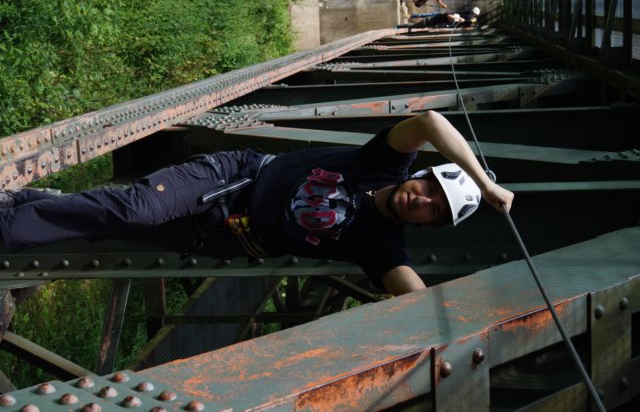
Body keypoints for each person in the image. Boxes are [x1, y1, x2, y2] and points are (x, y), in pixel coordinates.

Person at [0, 111, 513, 296]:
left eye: (433, 210)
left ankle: (20, 203)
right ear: (422, 175)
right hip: (230, 179)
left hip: (223, 236)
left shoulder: (383, 247)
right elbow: (430, 122)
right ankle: (6, 227)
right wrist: (484, 184)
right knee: (136, 210)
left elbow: (417, 303)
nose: (422, 200)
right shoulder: (382, 164)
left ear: (428, 224)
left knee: (116, 225)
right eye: (431, 189)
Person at [399, 7, 480, 29]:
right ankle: (398, 26)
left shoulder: (448, 19)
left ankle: (400, 25)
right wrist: (459, 19)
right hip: (427, 22)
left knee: (414, 25)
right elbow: (449, 16)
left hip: (429, 22)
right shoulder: (447, 16)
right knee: (413, 26)